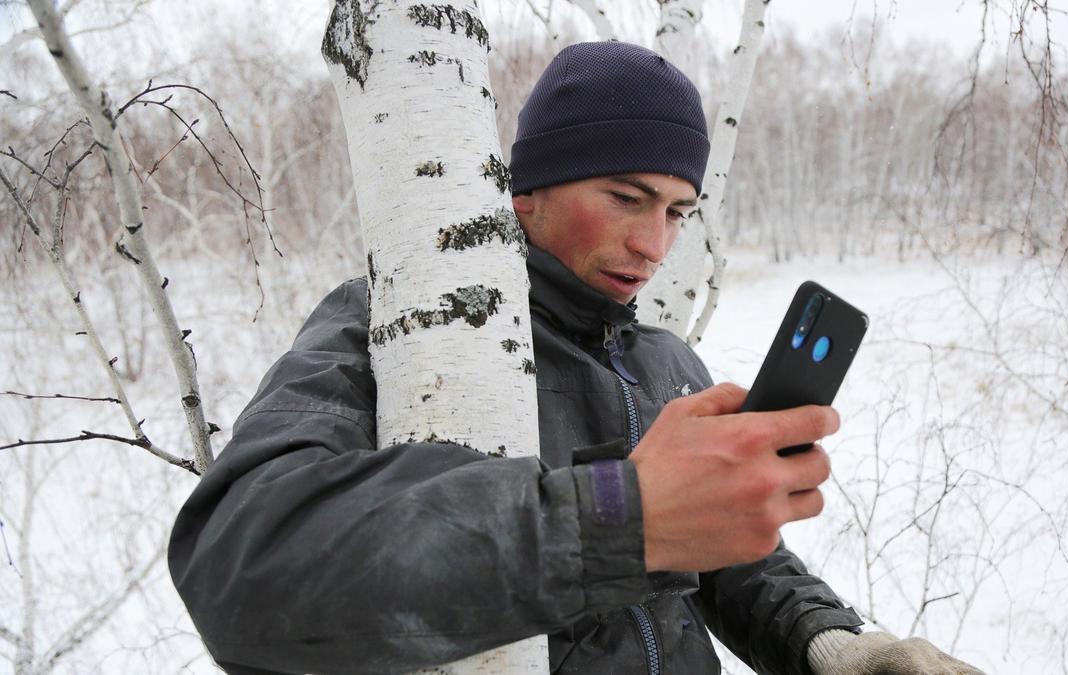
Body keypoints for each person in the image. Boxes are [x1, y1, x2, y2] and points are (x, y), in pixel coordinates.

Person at [169, 41, 984, 675]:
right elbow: (241, 564)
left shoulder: (667, 361)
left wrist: (828, 641)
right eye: (626, 199)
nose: (653, 243)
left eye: (677, 210)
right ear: (528, 189)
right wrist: (619, 520)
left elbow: (733, 565)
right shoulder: (398, 322)